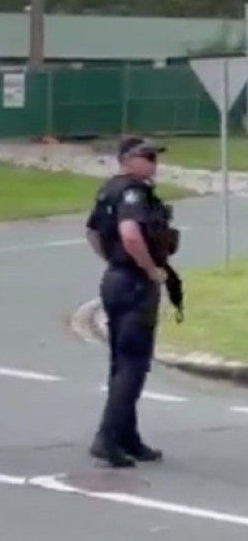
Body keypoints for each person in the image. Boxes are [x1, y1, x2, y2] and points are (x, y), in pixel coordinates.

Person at [85, 136, 182, 468]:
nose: (154, 162)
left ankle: (128, 437)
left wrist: (113, 262)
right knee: (133, 365)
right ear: (127, 159)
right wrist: (150, 269)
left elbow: (94, 233)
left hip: (115, 279)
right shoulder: (133, 193)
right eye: (147, 156)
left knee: (121, 361)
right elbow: (129, 233)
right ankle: (107, 438)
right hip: (135, 284)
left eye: (155, 156)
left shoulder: (108, 189)